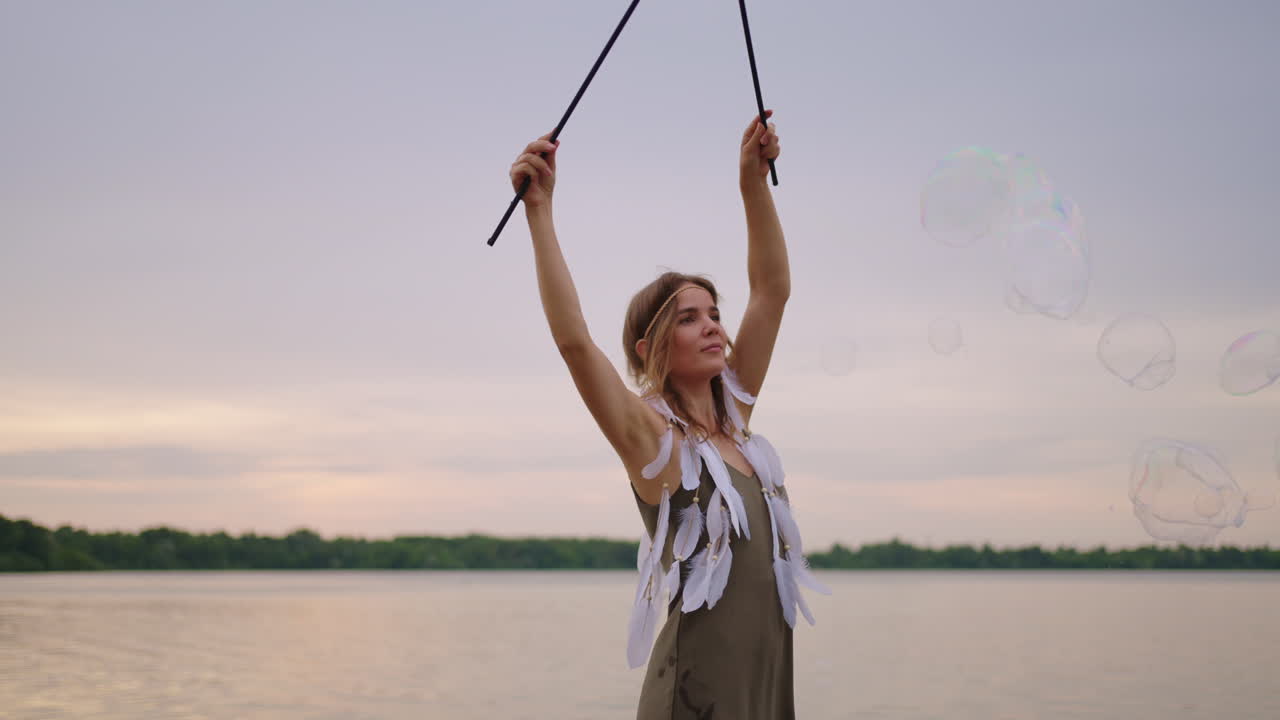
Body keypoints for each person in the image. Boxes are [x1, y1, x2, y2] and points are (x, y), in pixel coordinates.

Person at [508, 111, 827, 720]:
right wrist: (540, 214)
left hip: (764, 681)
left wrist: (753, 185)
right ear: (648, 350)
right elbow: (576, 343)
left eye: (712, 313)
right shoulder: (653, 440)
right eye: (688, 317)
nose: (712, 325)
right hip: (696, 693)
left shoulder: (735, 416)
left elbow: (771, 290)